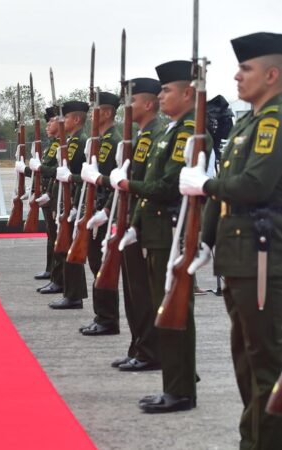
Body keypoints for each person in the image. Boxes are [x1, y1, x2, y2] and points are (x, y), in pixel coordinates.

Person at [180, 32, 282, 446]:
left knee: (266, 366)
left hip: (264, 260)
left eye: (246, 68)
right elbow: (228, 191)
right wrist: (206, 239)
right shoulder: (250, 122)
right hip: (239, 260)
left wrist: (206, 185)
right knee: (246, 361)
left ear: (272, 74)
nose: (237, 76)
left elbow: (254, 185)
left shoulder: (274, 122)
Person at [111, 60, 209, 413]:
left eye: (167, 90)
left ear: (187, 93)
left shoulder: (188, 133)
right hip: (153, 230)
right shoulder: (169, 132)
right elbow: (149, 187)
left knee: (176, 309)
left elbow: (166, 185)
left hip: (170, 231)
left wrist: (125, 184)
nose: (161, 94)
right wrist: (135, 223)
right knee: (163, 309)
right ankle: (176, 381)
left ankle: (181, 388)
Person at [89, 78, 162, 370]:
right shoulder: (140, 136)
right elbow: (125, 184)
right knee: (134, 294)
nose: (127, 108)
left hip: (145, 224)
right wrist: (108, 210)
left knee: (143, 294)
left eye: (132, 101)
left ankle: (147, 351)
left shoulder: (155, 135)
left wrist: (107, 183)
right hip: (129, 219)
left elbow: (146, 184)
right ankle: (139, 347)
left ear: (147, 104)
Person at [32, 100, 89, 309]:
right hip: (62, 198)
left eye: (64, 118)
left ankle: (73, 294)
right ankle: (68, 290)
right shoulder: (70, 140)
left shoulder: (79, 141)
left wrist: (74, 203)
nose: (60, 121)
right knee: (63, 245)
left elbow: (71, 172)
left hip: (72, 200)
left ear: (75, 119)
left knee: (69, 247)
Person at [74, 91, 121, 335]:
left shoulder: (115, 139)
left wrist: (105, 209)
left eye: (95, 109)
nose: (91, 114)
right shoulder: (100, 140)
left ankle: (108, 318)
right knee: (95, 264)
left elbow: (118, 179)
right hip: (96, 208)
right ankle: (101, 315)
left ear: (106, 113)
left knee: (103, 266)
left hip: (107, 211)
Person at [15, 107, 61, 292]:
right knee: (51, 235)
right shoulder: (52, 145)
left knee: (56, 237)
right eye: (48, 122)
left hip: (53, 195)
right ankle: (51, 270)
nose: (48, 125)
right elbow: (42, 170)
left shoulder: (59, 145)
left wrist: (26, 170)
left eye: (52, 121)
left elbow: (47, 170)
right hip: (47, 193)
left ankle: (56, 275)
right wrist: (32, 187)